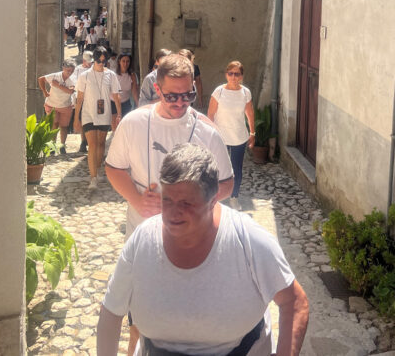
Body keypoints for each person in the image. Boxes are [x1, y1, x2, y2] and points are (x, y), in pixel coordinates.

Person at [97, 144, 309, 356]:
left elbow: (294, 302)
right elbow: (111, 312)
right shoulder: (142, 242)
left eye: (186, 203)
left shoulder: (249, 240)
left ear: (213, 200)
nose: (172, 212)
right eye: (167, 199)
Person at [104, 52, 235, 356]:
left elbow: (226, 184)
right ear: (157, 90)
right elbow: (114, 168)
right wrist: (138, 200)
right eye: (172, 96)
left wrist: (195, 205)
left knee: (190, 311)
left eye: (188, 95)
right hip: (143, 234)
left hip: (194, 242)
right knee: (141, 309)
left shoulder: (207, 132)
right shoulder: (133, 123)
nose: (180, 102)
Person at [208, 60, 256, 204]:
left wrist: (252, 133)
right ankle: (217, 198)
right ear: (226, 75)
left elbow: (250, 114)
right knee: (218, 168)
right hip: (220, 137)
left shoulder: (245, 92)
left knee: (237, 169)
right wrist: (210, 133)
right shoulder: (219, 92)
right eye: (230, 73)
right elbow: (210, 115)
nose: (233, 77)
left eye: (236, 74)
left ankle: (234, 197)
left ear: (241, 76)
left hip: (238, 137)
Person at [74, 46, 122, 189]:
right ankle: (93, 177)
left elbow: (116, 96)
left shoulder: (111, 75)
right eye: (99, 61)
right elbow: (80, 98)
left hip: (104, 113)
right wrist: (76, 118)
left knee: (101, 144)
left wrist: (119, 114)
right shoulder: (85, 76)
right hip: (88, 113)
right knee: (92, 145)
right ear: (94, 60)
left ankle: (98, 168)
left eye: (104, 61)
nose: (101, 63)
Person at [38, 60, 75, 155]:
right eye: (68, 70)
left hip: (65, 106)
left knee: (64, 126)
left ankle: (62, 145)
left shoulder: (73, 78)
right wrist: (44, 91)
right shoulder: (55, 76)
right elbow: (41, 79)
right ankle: (52, 146)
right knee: (54, 125)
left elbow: (70, 91)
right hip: (52, 104)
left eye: (71, 70)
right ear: (63, 68)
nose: (69, 73)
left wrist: (57, 85)